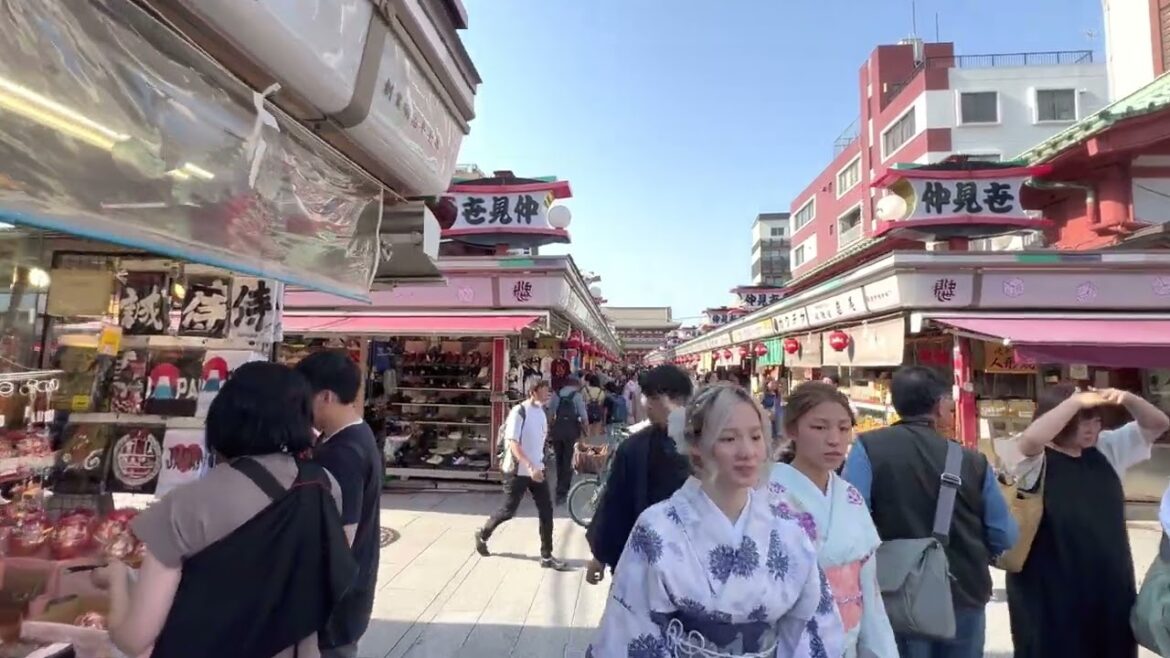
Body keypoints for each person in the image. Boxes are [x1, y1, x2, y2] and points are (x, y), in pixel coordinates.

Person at [94, 362, 355, 658]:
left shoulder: (184, 506)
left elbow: (133, 639)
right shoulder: (324, 486)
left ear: (223, 417)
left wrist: (116, 578)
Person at [588, 383, 845, 657]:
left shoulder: (787, 526)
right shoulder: (658, 527)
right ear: (696, 446)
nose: (747, 451)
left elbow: (814, 623)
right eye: (729, 438)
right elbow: (630, 627)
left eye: (756, 437)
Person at [842, 366, 1018, 658]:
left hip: (894, 593)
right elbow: (1004, 534)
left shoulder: (868, 448)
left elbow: (853, 521)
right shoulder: (972, 460)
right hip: (963, 593)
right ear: (938, 406)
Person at [998, 384, 1170, 658]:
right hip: (1049, 588)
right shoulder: (1033, 459)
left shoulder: (1105, 449)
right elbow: (1029, 441)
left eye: (1096, 420)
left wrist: (1127, 398)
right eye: (1082, 422)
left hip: (1108, 585)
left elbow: (1158, 424)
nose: (1092, 428)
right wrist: (1075, 403)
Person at [771, 381, 898, 658]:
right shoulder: (765, 494)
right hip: (789, 642)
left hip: (847, 642)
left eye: (843, 428)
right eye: (819, 427)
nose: (834, 439)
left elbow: (869, 590)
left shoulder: (849, 496)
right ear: (791, 430)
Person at [297, 350, 384, 658]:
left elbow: (339, 543)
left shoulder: (342, 454)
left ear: (326, 397)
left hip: (334, 613)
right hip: (349, 600)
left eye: (303, 395)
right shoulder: (355, 436)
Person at [584, 364, 693, 585]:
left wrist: (599, 556)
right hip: (662, 563)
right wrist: (600, 555)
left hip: (664, 564)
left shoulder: (635, 448)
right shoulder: (710, 441)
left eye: (647, 398)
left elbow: (615, 504)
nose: (645, 405)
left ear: (661, 398)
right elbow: (615, 504)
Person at [475, 380, 568, 569]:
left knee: (546, 510)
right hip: (519, 471)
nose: (547, 394)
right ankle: (483, 534)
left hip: (537, 470)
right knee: (509, 511)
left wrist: (539, 465)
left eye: (548, 390)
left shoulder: (541, 413)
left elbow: (539, 441)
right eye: (543, 390)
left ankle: (547, 555)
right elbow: (513, 444)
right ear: (533, 392)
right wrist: (529, 466)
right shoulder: (519, 411)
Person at [547, 376, 589, 505]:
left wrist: (550, 430)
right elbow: (583, 417)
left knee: (559, 461)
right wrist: (586, 432)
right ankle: (563, 492)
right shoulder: (577, 396)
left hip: (558, 432)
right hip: (571, 433)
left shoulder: (556, 395)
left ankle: (559, 489)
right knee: (568, 461)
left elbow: (550, 415)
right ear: (576, 384)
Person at [583, 373, 608, 438]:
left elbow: (582, 400)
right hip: (597, 412)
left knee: (587, 432)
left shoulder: (585, 389)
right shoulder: (601, 391)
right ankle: (594, 445)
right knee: (596, 433)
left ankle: (587, 444)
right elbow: (602, 403)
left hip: (587, 412)